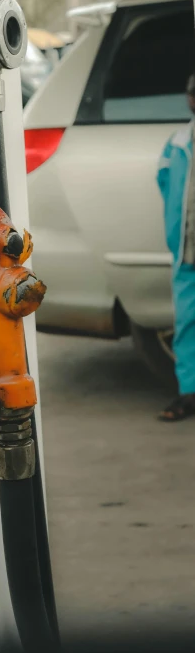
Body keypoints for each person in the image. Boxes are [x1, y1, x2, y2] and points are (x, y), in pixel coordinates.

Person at [157, 73, 195, 420]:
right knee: (186, 323)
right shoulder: (178, 143)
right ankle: (188, 392)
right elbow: (165, 183)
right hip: (188, 251)